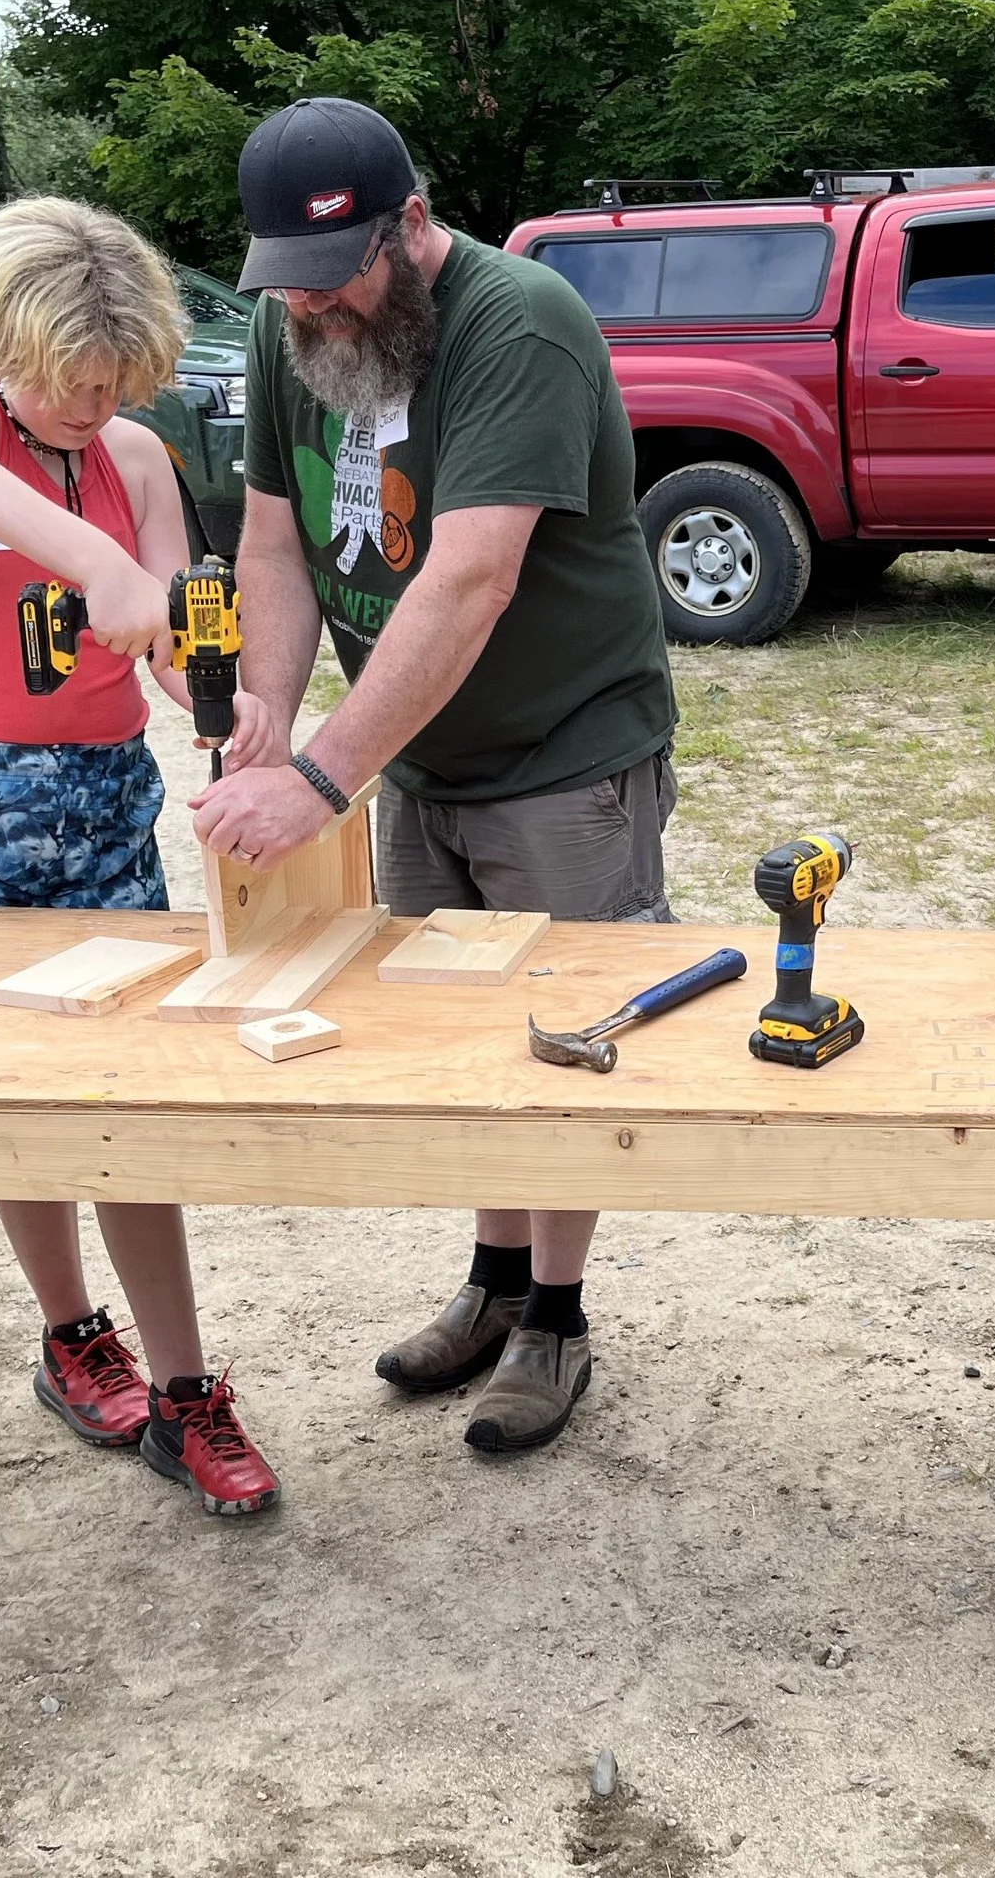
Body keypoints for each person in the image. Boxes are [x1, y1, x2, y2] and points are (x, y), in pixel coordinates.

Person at [191, 98, 678, 1456]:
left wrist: (321, 778)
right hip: (416, 754)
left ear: (411, 224)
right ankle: (494, 1280)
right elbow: (274, 546)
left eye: (335, 276)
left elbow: (470, 578)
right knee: (457, 1036)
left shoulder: (520, 323)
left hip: (564, 752)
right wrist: (268, 717)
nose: (313, 308)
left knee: (562, 1039)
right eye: (288, 282)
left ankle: (557, 1317)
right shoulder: (293, 324)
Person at [0, 196, 283, 1517]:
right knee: (13, 1089)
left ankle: (187, 1387)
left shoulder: (136, 457)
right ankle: (70, 1333)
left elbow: (164, 635)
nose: (96, 405)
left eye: (116, 381)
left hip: (100, 802)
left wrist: (222, 698)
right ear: (4, 344)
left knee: (122, 1095)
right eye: (73, 381)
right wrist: (89, 553)